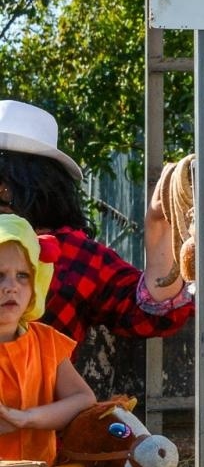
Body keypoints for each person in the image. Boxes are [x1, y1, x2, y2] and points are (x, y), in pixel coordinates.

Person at [0, 213, 150, 467]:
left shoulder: (44, 341)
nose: (11, 287)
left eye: (22, 276)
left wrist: (28, 418)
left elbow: (82, 398)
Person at [0, 101, 190, 345]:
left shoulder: (74, 255)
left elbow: (151, 314)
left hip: (46, 371)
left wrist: (158, 225)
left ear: (37, 182)